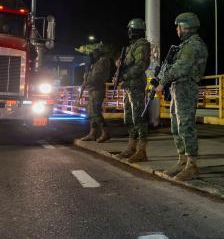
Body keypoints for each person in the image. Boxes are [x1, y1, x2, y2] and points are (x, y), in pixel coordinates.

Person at [157, 12, 208, 181]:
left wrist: (162, 81)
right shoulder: (185, 45)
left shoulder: (193, 45)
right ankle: (182, 160)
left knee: (186, 125)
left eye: (179, 26)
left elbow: (181, 68)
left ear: (186, 27)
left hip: (186, 87)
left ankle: (192, 165)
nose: (177, 30)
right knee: (176, 125)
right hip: (178, 88)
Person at [116, 18, 151, 162]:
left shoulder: (142, 45)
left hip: (135, 85)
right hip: (128, 86)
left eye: (131, 30)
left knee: (138, 117)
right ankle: (131, 146)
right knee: (129, 117)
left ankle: (141, 150)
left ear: (137, 31)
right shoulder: (131, 47)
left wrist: (124, 75)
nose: (129, 32)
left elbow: (140, 66)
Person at [76, 42, 111, 142]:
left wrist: (87, 81)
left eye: (94, 52)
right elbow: (90, 76)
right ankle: (92, 133)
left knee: (95, 112)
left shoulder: (103, 61)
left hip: (97, 89)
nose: (92, 54)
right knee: (91, 112)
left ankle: (105, 132)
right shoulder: (95, 63)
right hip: (93, 90)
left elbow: (95, 77)